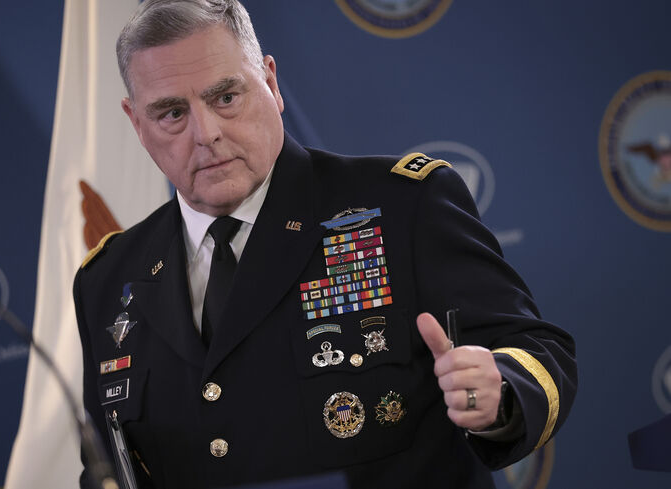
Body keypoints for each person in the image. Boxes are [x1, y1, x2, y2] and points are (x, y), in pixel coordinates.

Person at [73, 1, 577, 488]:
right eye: (171, 113)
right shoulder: (107, 282)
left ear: (270, 83)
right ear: (137, 123)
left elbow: (539, 352)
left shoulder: (404, 207)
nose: (206, 134)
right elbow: (111, 470)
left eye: (226, 97)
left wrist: (501, 392)